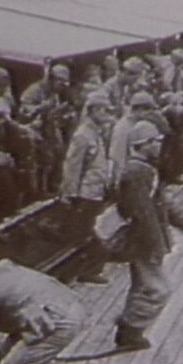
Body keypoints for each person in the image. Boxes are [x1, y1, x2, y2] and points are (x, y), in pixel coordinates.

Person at [114, 121, 183, 349]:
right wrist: (156, 246)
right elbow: (143, 213)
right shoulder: (137, 172)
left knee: (143, 286)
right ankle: (131, 328)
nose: (160, 145)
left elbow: (163, 202)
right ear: (142, 145)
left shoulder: (145, 169)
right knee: (158, 289)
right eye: (155, 141)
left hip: (145, 240)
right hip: (143, 241)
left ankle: (128, 332)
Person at [59, 91, 115, 284]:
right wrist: (70, 193)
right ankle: (82, 271)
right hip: (85, 193)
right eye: (104, 110)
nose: (107, 114)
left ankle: (81, 270)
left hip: (95, 191)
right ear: (94, 110)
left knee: (85, 231)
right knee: (83, 233)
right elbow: (73, 166)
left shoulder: (95, 132)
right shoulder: (83, 135)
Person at [20, 64, 78, 196]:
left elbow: (54, 112)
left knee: (60, 151)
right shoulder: (34, 91)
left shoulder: (54, 93)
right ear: (52, 79)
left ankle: (54, 185)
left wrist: (63, 114)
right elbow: (24, 111)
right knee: (46, 156)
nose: (62, 87)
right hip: (31, 128)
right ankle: (40, 190)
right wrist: (41, 107)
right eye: (60, 83)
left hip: (49, 126)